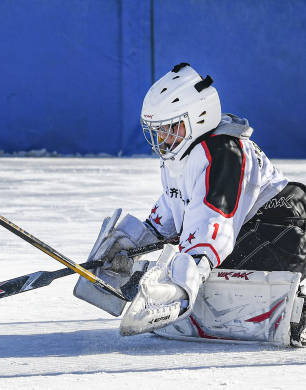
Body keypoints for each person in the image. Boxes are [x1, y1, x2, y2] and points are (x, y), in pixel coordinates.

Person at [89, 63, 306, 345]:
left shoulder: (224, 152)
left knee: (213, 285)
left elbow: (215, 218)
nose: (163, 139)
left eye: (170, 128)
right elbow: (173, 208)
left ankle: (296, 312)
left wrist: (189, 271)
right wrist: (129, 245)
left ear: (199, 117)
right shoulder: (182, 154)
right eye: (158, 130)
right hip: (257, 227)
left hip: (286, 228)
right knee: (200, 278)